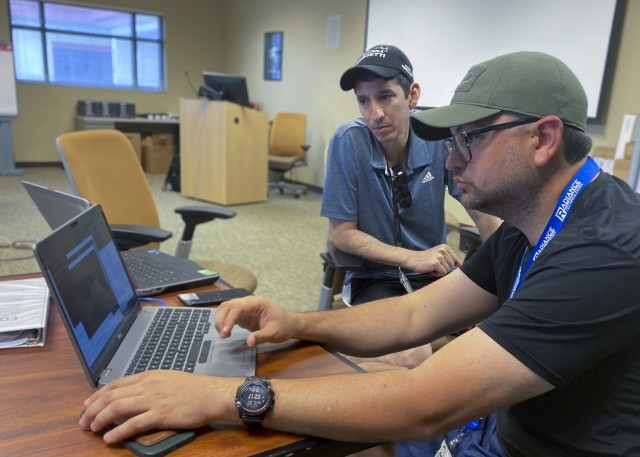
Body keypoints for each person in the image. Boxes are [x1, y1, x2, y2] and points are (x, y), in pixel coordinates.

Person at [79, 51, 640, 456]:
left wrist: (226, 396)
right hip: (495, 430)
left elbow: (425, 405)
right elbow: (417, 313)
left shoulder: (605, 253)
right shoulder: (528, 223)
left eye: (470, 139)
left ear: (541, 139)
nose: (451, 161)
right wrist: (298, 321)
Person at [323, 45, 499, 369]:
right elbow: (341, 234)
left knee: (497, 329)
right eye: (364, 100)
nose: (374, 113)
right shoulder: (348, 142)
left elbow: (483, 212)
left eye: (385, 97)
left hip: (436, 276)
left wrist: (504, 268)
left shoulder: (436, 137)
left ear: (412, 95)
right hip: (375, 279)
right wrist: (412, 258)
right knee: (412, 354)